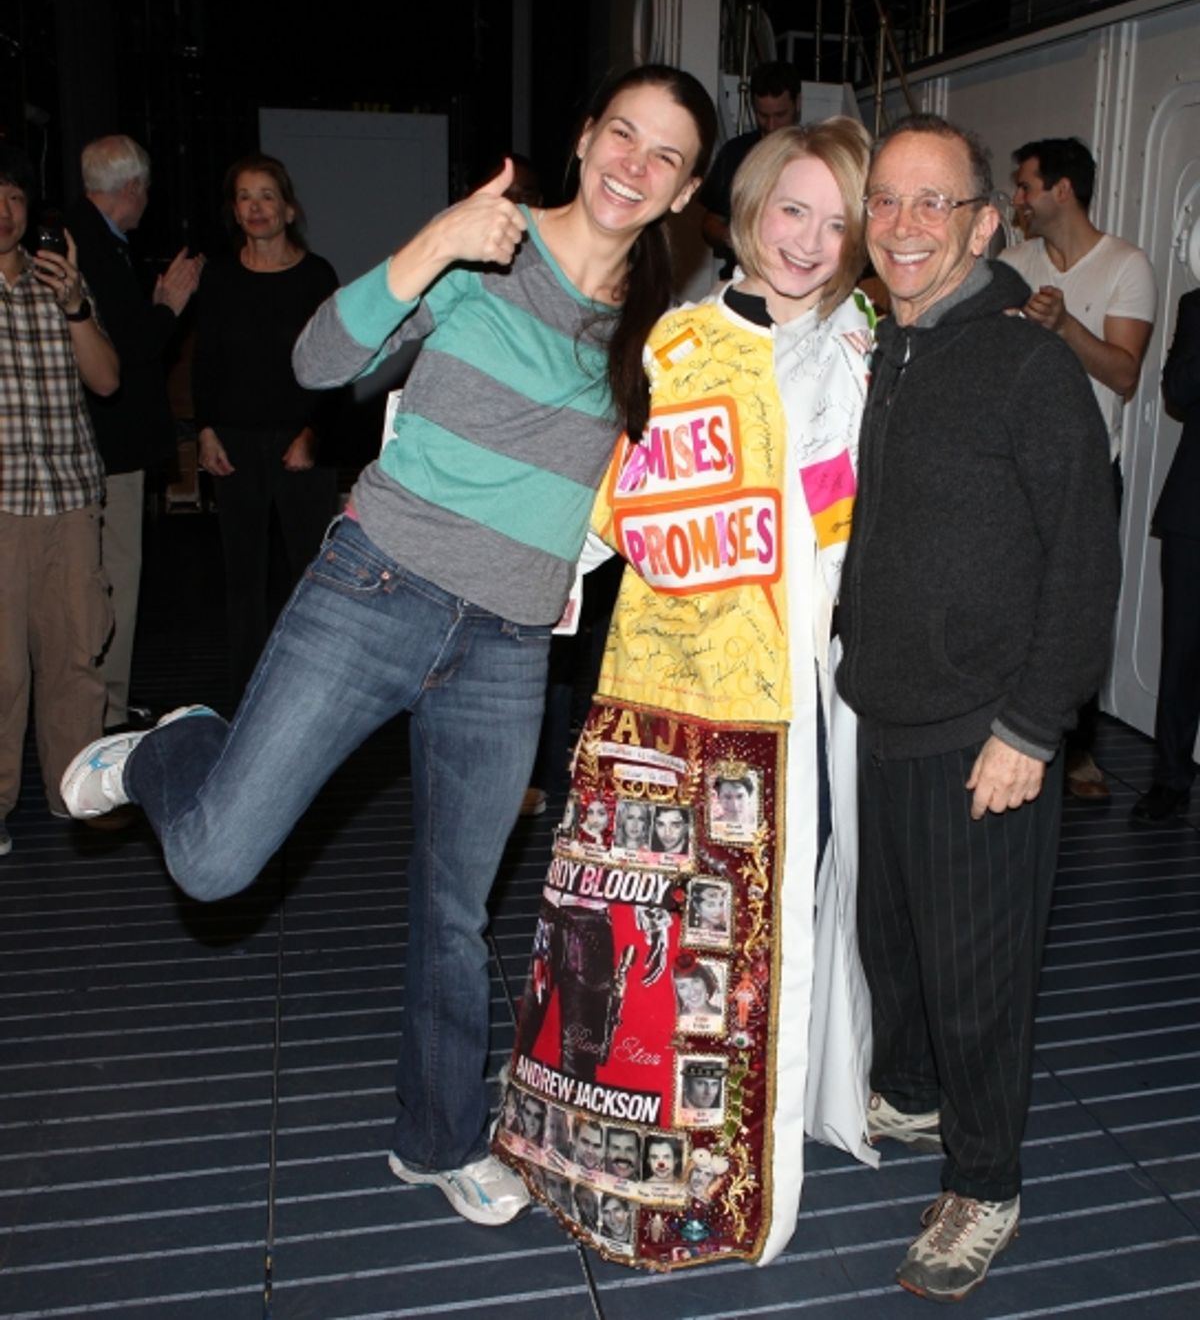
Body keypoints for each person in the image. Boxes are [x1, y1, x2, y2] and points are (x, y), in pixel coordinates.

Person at [60, 65, 715, 1229]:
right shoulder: (481, 253)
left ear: (685, 189)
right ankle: (175, 747)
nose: (636, 164)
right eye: (623, 133)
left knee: (454, 911)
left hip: (509, 643)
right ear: (584, 137)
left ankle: (437, 1135)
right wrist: (435, 240)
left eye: (666, 155)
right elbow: (314, 362)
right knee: (212, 862)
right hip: (375, 587)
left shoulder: (653, 331)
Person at [499, 118, 878, 1269]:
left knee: (760, 949)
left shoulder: (870, 348)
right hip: (662, 693)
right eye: (791, 209)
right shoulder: (670, 346)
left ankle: (737, 1175)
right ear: (749, 208)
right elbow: (597, 513)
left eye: (836, 220)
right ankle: (592, 1159)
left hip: (802, 695)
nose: (809, 240)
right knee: (615, 944)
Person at [838, 114, 1120, 1302]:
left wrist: (1033, 725)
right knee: (892, 943)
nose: (903, 226)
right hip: (884, 712)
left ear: (982, 221)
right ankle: (908, 1096)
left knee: (978, 973)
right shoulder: (883, 347)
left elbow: (1086, 558)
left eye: (932, 203)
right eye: (887, 202)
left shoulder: (1025, 359)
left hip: (983, 735)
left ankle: (986, 1179)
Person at [1000, 137, 1156, 800]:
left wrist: (1063, 325)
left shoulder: (1127, 266)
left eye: (1026, 187)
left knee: (1077, 607)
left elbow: (1123, 373)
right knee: (1013, 605)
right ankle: (1007, 732)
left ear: (1062, 191)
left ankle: (1081, 751)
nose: (1018, 201)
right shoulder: (1012, 261)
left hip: (1089, 469)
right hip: (1012, 467)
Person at [0, 145, 119, 858]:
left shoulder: (58, 285)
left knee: (77, 655)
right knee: (2, 668)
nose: (3, 211)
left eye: (13, 197)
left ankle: (75, 793)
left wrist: (76, 302)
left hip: (71, 497)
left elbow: (106, 381)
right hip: (2, 506)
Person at [66, 135, 203, 731]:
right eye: (145, 189)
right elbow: (126, 353)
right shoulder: (94, 248)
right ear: (132, 188)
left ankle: (102, 706)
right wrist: (169, 306)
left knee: (97, 580)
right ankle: (106, 715)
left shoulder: (84, 238)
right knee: (114, 579)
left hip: (95, 447)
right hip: (109, 448)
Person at [193, 154, 340, 701]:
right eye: (245, 197)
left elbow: (335, 365)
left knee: (311, 573)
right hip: (232, 443)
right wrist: (205, 430)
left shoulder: (317, 275)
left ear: (289, 208)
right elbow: (206, 360)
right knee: (243, 581)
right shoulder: (221, 276)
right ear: (235, 210)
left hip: (300, 442)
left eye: (266, 196)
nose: (256, 207)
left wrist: (312, 433)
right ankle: (248, 697)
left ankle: (311, 689)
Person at [1132, 290, 1200, 823]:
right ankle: (1171, 777)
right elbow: (1177, 392)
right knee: (1180, 652)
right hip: (1194, 511)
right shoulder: (1197, 305)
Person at [698, 60, 800, 276]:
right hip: (740, 277)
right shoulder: (735, 152)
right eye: (763, 115)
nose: (771, 126)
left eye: (780, 115)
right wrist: (735, 237)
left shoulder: (815, 156)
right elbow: (710, 223)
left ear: (797, 104)